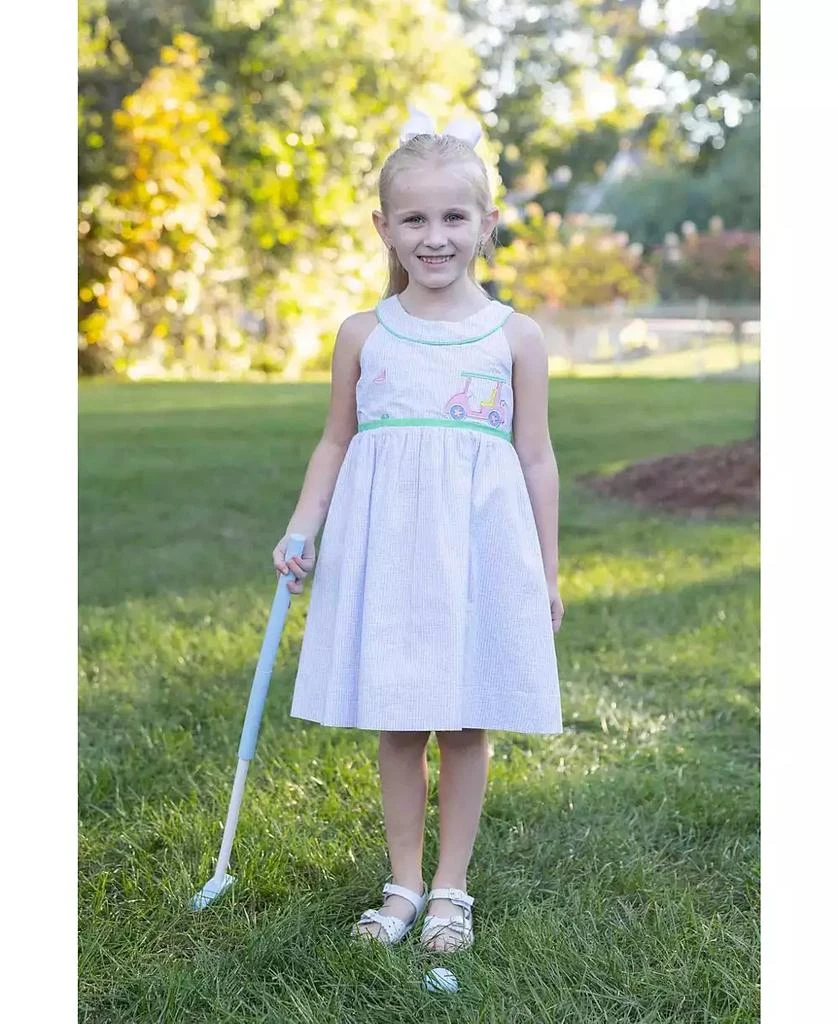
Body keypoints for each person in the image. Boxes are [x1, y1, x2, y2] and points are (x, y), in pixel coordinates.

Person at [272, 106, 564, 953]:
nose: (434, 237)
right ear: (384, 228)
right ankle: (402, 881)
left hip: (477, 552)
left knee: (465, 720)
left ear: (486, 223)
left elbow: (536, 457)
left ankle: (451, 888)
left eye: (453, 217)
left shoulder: (516, 336)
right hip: (390, 553)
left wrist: (546, 570)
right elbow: (336, 440)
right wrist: (303, 529)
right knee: (400, 719)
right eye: (414, 219)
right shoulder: (364, 334)